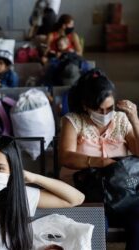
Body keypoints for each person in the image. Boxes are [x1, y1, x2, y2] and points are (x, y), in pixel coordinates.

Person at [59, 69, 139, 250]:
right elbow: (66, 156)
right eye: (98, 109)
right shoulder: (73, 121)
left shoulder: (121, 119)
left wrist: (135, 119)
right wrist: (100, 162)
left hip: (121, 192)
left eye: (109, 108)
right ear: (86, 105)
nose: (105, 114)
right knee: (94, 225)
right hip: (86, 193)